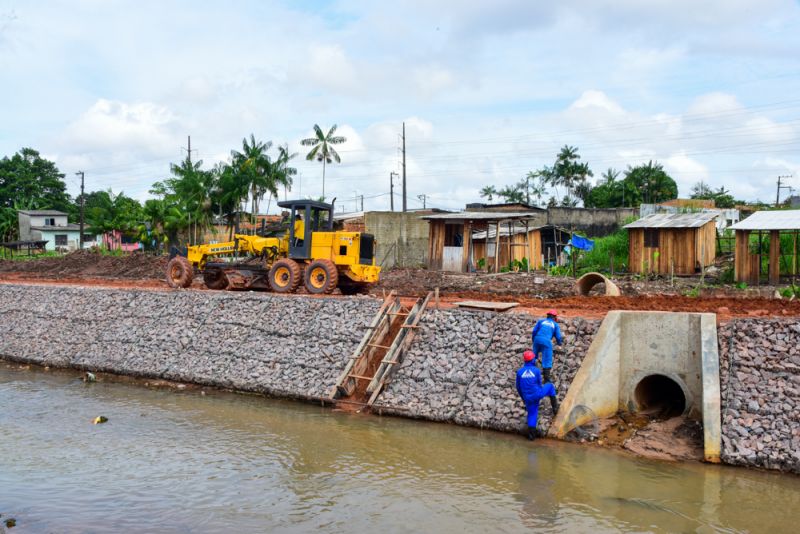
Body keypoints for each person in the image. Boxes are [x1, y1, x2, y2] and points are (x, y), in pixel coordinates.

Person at [515, 350, 559, 440]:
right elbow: (539, 384)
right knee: (550, 386)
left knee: (532, 413)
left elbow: (518, 388)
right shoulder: (536, 371)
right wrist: (539, 394)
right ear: (532, 360)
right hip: (537, 394)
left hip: (527, 397)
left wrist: (524, 398)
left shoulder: (519, 372)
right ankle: (555, 408)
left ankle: (531, 436)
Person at [531, 309, 563, 384]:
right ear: (555, 317)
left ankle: (530, 372)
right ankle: (546, 379)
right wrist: (559, 344)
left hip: (537, 339)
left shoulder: (541, 321)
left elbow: (534, 331)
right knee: (547, 359)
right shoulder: (555, 325)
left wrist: (534, 340)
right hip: (546, 341)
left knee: (533, 356)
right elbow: (558, 337)